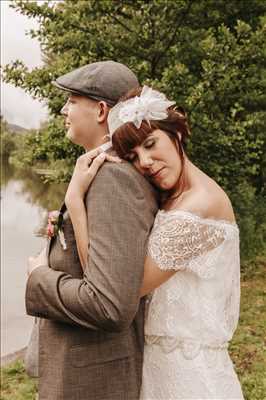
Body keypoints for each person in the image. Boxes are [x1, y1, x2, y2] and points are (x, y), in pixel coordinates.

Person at [68, 85, 244, 399]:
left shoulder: (198, 208)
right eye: (133, 156)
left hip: (188, 378)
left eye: (151, 144)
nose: (145, 162)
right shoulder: (177, 199)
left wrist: (75, 202)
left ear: (176, 135)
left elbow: (115, 290)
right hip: (163, 368)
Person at [26, 62, 158, 400]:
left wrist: (39, 275)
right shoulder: (97, 171)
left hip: (94, 380)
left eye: (72, 100)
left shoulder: (115, 179)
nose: (63, 109)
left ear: (101, 110)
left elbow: (110, 304)